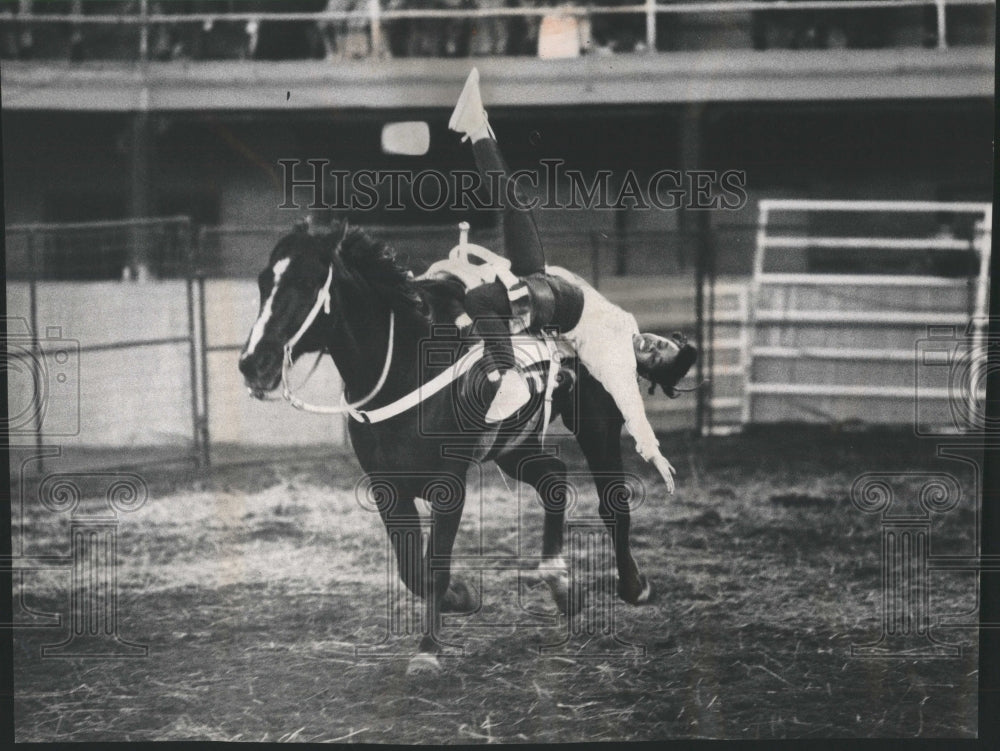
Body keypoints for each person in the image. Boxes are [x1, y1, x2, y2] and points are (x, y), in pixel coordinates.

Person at [446, 68, 696, 492]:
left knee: (481, 302)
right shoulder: (628, 325)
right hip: (546, 283)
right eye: (662, 342)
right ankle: (475, 126)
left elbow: (633, 412)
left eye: (656, 357)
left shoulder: (619, 365)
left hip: (555, 302)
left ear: (649, 372)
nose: (652, 346)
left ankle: (506, 378)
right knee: (515, 205)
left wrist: (652, 452)